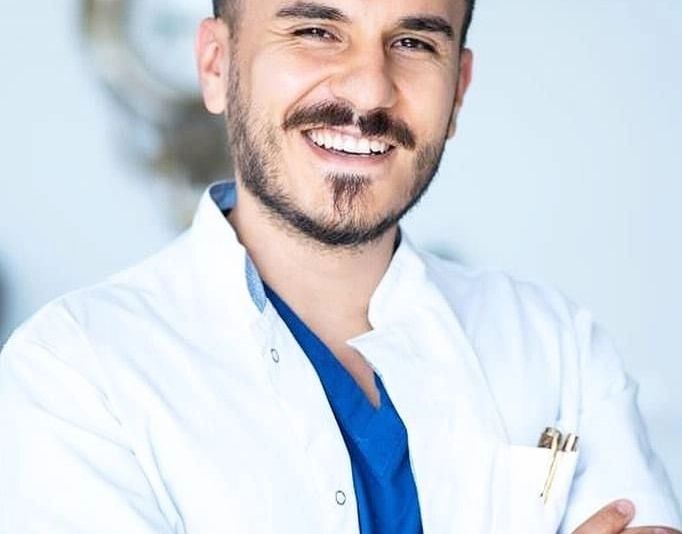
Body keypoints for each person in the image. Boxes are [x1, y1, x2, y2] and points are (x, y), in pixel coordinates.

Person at [0, 0, 680, 532]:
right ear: (216, 65)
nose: (370, 91)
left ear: (458, 89)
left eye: (414, 43)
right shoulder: (75, 375)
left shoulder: (558, 346)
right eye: (316, 32)